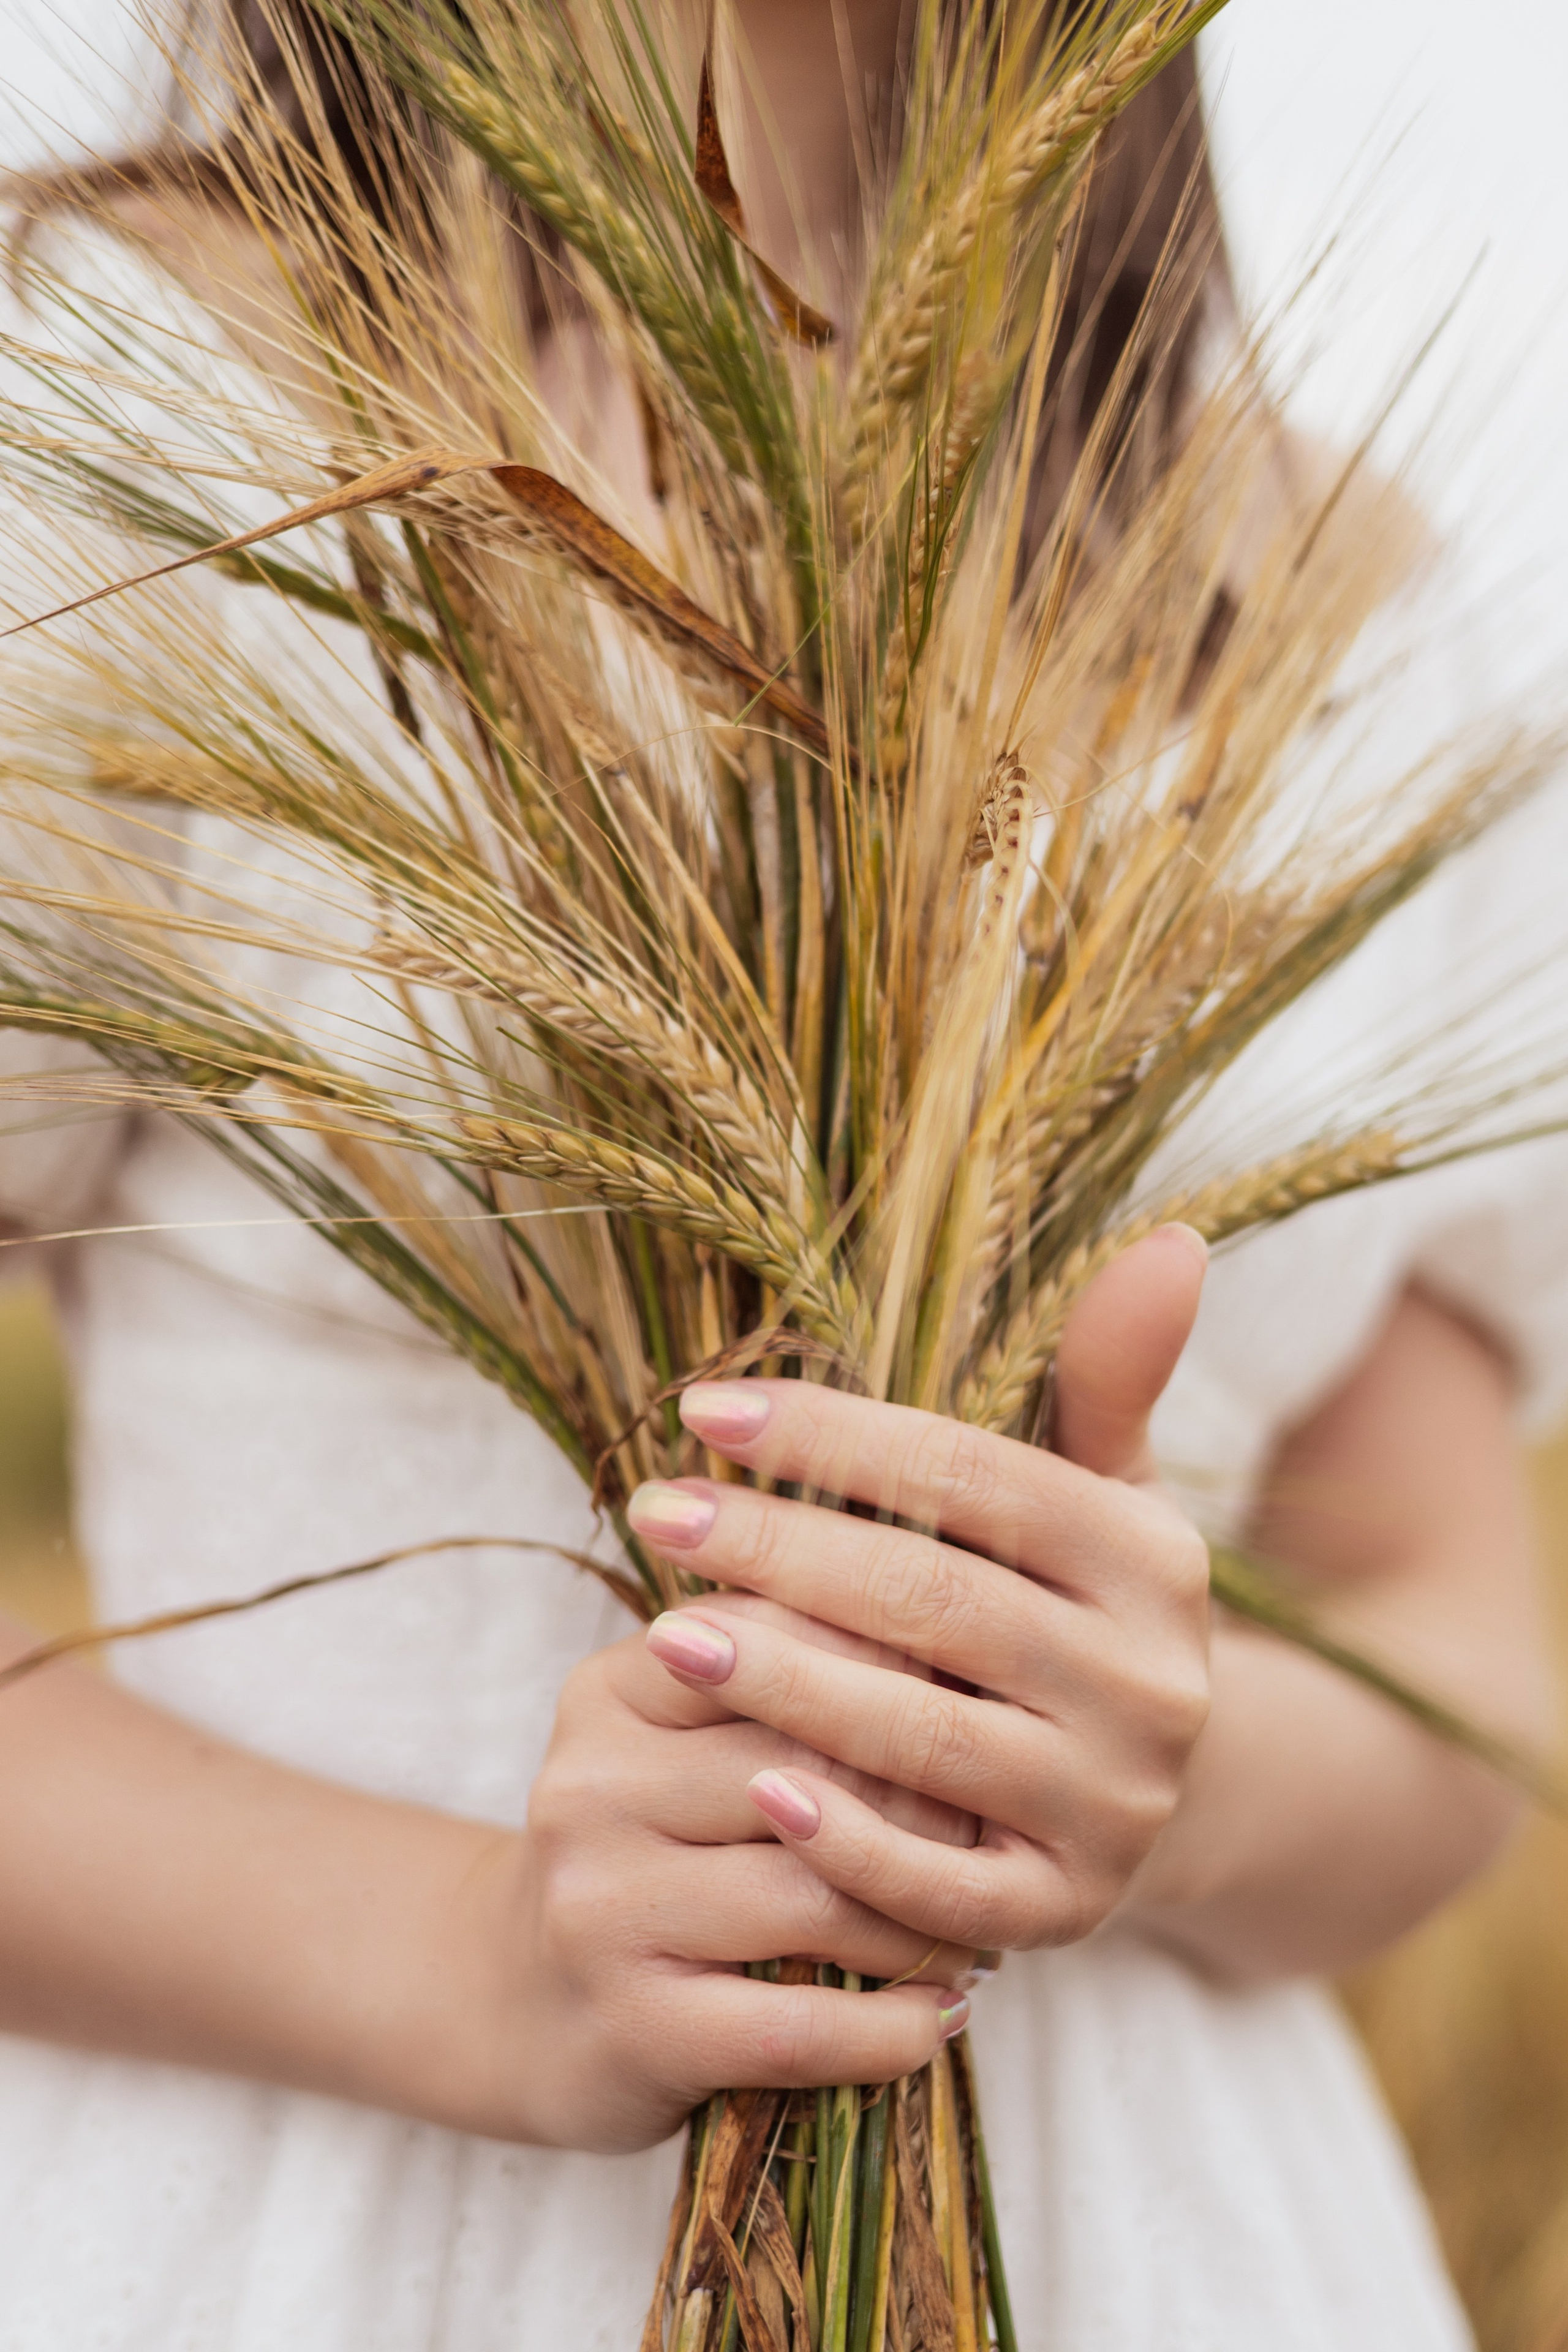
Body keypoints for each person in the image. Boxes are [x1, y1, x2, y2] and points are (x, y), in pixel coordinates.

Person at [0, 3, 1563, 2345]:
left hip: (1175, 2253)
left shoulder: (1348, 605)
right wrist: (485, 1967)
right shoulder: (122, 418)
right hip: (314, 2224)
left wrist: (1139, 1766)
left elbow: (1464, 1667)